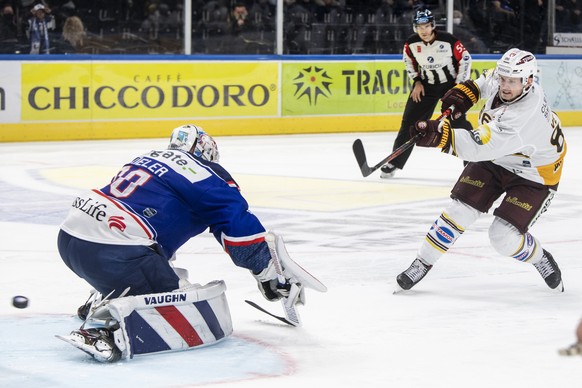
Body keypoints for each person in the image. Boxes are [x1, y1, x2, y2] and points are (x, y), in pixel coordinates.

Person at [56, 124, 321, 362]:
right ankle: (105, 330)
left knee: (156, 262)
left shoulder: (146, 158)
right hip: (112, 251)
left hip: (70, 239)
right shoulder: (205, 173)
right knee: (176, 298)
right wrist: (268, 272)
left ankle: (102, 295)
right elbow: (239, 229)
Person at [395, 48, 566, 292]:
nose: (505, 86)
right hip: (499, 156)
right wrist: (463, 95)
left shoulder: (523, 116)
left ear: (528, 81)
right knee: (458, 211)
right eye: (503, 79)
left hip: (535, 173)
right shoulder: (507, 78)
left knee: (502, 238)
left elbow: (479, 146)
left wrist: (438, 137)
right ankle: (423, 261)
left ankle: (539, 257)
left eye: (512, 82)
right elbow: (484, 82)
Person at [380, 8, 473, 178]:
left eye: (426, 26)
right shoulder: (411, 44)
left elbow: (465, 59)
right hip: (426, 87)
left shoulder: (448, 40)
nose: (423, 30)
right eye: (419, 27)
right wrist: (416, 81)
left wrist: (458, 86)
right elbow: (408, 62)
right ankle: (395, 161)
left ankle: (472, 163)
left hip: (450, 86)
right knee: (409, 124)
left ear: (433, 25)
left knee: (458, 123)